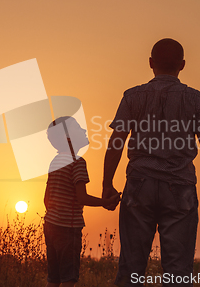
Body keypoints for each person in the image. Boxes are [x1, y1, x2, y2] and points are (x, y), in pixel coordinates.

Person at [102, 38, 200, 286]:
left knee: (131, 267)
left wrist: (107, 185)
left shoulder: (132, 97)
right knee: (178, 271)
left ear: (151, 63)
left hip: (139, 185)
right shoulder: (196, 99)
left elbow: (116, 142)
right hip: (180, 186)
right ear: (182, 65)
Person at [44, 116, 121, 287]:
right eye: (79, 128)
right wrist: (105, 201)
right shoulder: (77, 163)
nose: (84, 130)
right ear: (69, 138)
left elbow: (46, 199)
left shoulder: (55, 162)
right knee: (68, 279)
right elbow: (82, 197)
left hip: (50, 226)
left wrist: (55, 217)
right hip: (68, 229)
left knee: (53, 278)